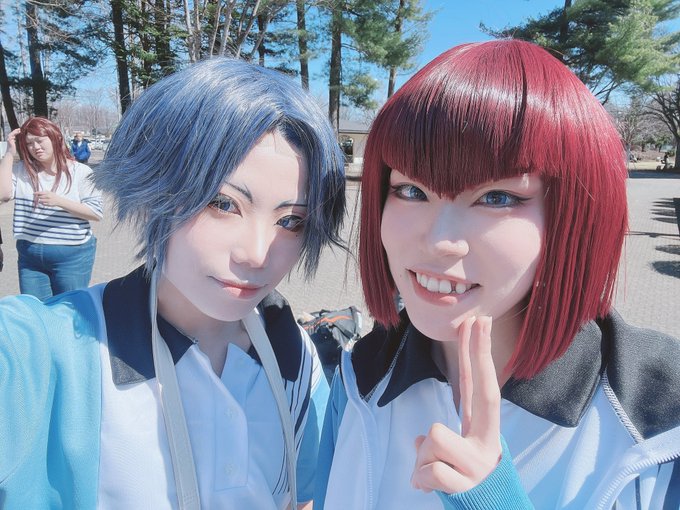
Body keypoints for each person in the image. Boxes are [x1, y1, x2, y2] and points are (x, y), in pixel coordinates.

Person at [315, 40, 680, 509]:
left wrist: (492, 499)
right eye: (411, 190)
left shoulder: (658, 416)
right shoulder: (357, 378)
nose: (439, 240)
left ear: (574, 215)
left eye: (496, 198)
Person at [0, 58, 346, 509]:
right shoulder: (44, 352)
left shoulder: (294, 353)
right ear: (154, 187)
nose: (258, 254)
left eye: (291, 221)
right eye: (223, 203)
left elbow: (301, 496)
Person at [0, 117, 102, 299]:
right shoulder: (21, 170)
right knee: (36, 309)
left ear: (55, 138)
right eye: (29, 143)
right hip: (30, 255)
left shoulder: (80, 172)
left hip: (72, 255)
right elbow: (3, 195)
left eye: (40, 140)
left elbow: (95, 213)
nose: (35, 147)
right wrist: (9, 153)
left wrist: (59, 201)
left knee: (68, 308)